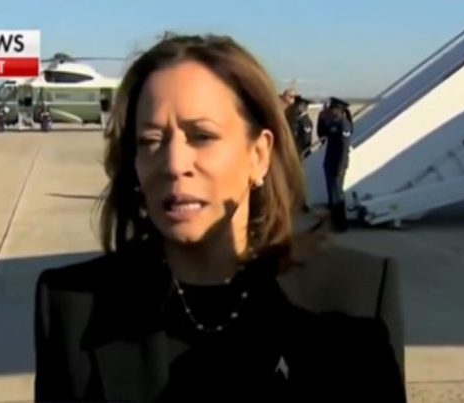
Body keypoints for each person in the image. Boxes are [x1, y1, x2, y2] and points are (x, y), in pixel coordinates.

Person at [34, 34, 405, 402]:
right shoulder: (72, 306)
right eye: (150, 141)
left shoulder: (356, 298)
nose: (174, 164)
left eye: (202, 136)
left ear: (258, 156)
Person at [318, 97, 353, 232]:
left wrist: (340, 167)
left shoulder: (344, 125)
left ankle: (341, 224)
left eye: (334, 109)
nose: (332, 111)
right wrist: (321, 118)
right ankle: (334, 221)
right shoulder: (333, 123)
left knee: (338, 194)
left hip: (338, 164)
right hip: (329, 162)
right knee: (332, 193)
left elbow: (344, 148)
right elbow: (322, 133)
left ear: (340, 110)